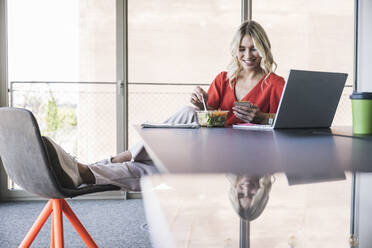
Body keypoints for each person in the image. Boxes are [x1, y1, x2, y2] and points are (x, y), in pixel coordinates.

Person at [48, 20, 285, 191]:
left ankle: (113, 160)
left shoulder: (274, 84)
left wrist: (262, 117)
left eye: (253, 48)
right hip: (205, 148)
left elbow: (289, 122)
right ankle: (84, 174)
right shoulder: (224, 79)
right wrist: (200, 102)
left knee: (180, 125)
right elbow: (207, 115)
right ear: (236, 50)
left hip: (242, 156)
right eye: (242, 48)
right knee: (158, 165)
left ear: (263, 49)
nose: (247, 55)